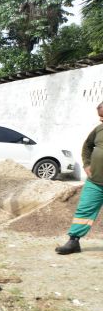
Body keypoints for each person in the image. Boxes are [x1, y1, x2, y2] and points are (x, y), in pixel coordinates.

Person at [56, 101, 103, 255]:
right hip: (95, 182)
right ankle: (73, 242)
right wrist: (87, 164)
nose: (101, 120)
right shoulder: (98, 129)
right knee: (84, 211)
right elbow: (87, 147)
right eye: (100, 117)